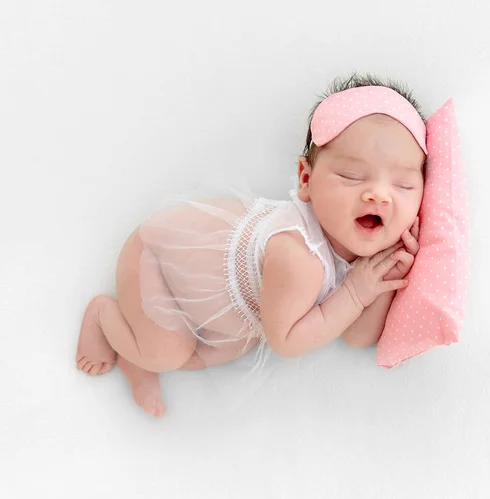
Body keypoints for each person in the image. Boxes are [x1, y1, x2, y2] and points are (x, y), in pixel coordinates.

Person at [75, 73, 427, 417]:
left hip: (226, 305)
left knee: (214, 352)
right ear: (306, 180)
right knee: (168, 352)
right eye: (351, 176)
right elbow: (287, 341)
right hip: (156, 260)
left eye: (403, 185)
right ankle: (105, 318)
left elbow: (354, 336)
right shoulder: (297, 254)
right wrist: (354, 294)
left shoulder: (359, 253)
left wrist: (383, 282)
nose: (379, 195)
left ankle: (136, 358)